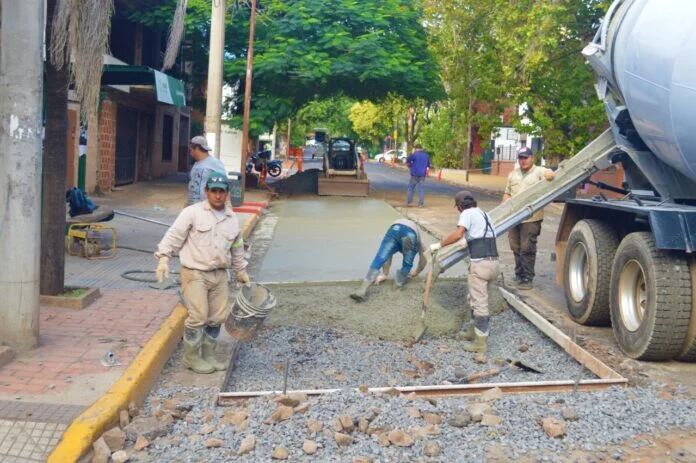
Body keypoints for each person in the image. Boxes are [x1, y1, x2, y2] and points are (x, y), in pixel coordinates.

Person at [155, 171, 250, 374]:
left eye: (221, 192)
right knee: (198, 316)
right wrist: (164, 258)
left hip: (220, 275)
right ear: (206, 191)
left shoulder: (232, 218)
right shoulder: (192, 213)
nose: (217, 195)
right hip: (195, 272)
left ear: (227, 193)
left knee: (217, 317)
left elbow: (237, 246)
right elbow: (174, 235)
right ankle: (191, 358)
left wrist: (241, 271)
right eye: (213, 191)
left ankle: (208, 355)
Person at [429, 191, 499, 353]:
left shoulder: (467, 213)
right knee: (473, 298)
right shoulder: (485, 214)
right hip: (494, 264)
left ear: (460, 206)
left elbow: (458, 233)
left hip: (480, 265)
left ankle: (480, 345)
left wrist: (440, 245)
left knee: (480, 305)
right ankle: (471, 331)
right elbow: (472, 238)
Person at [502, 147, 555, 290]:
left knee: (527, 247)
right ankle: (519, 275)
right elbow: (507, 193)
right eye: (521, 158)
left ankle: (527, 278)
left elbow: (548, 174)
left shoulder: (538, 171)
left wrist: (550, 173)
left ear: (532, 158)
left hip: (531, 218)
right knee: (515, 246)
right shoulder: (513, 174)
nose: (523, 160)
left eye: (526, 158)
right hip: (513, 217)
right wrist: (505, 203)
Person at [350, 218, 428, 302]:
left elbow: (387, 256)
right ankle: (396, 286)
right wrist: (416, 272)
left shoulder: (405, 228)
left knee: (380, 258)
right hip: (410, 234)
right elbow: (424, 258)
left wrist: (385, 274)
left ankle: (362, 289)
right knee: (407, 264)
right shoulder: (418, 240)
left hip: (394, 229)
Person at [187, 135, 226, 206]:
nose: (190, 153)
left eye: (191, 150)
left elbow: (224, 185)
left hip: (208, 208)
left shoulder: (215, 163)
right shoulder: (196, 164)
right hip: (193, 207)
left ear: (197, 148)